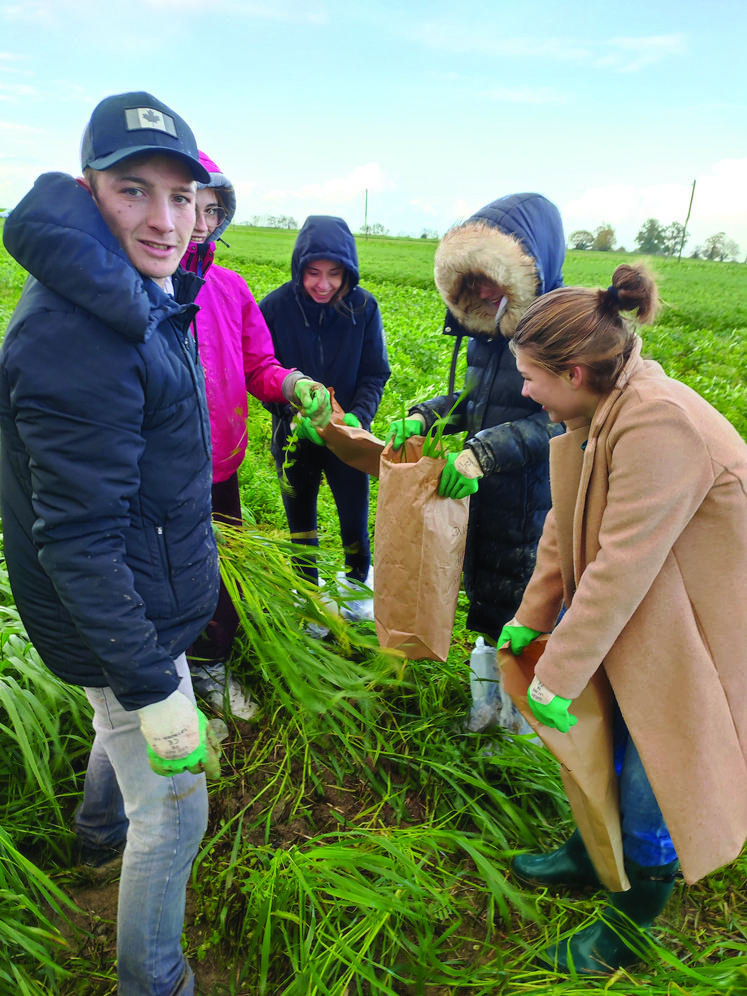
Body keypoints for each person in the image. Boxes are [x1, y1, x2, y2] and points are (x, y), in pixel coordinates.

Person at [0, 91, 223, 996]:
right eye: (135, 191)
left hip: (127, 598)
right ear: (90, 188)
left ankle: (96, 834)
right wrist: (151, 683)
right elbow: (81, 541)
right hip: (120, 611)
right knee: (173, 808)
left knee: (111, 725)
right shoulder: (80, 332)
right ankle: (154, 981)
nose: (165, 220)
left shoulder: (123, 292)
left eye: (182, 196)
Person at [500, 263, 747, 974]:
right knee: (605, 733)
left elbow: (620, 564)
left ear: (573, 372)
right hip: (645, 609)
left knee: (654, 761)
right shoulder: (596, 411)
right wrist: (532, 615)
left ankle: (637, 911)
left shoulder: (655, 422)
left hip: (696, 624)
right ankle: (591, 849)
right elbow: (566, 521)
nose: (522, 389)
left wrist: (559, 670)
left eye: (529, 376)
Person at [386, 193, 565, 729]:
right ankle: (488, 707)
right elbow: (473, 401)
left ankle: (524, 729)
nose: (485, 292)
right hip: (483, 494)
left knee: (526, 609)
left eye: (494, 278)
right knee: (487, 605)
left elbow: (559, 420)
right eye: (475, 280)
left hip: (531, 500)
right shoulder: (486, 334)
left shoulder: (558, 332)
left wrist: (484, 454)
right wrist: (425, 415)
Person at [181, 152, 331, 716]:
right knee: (163, 577)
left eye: (211, 208)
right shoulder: (141, 282)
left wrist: (293, 385)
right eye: (188, 203)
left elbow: (258, 365)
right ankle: (172, 687)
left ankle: (213, 667)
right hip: (156, 471)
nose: (199, 219)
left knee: (220, 572)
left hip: (219, 464)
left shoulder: (229, 288)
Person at [259, 215, 390, 619]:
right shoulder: (275, 307)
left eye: (335, 274)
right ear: (300, 269)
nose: (323, 283)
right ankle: (306, 596)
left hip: (347, 435)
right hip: (294, 435)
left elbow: (374, 373)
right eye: (313, 273)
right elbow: (263, 371)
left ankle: (355, 588)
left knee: (353, 515)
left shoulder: (364, 308)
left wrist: (358, 417)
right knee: (301, 519)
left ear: (347, 273)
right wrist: (289, 413)